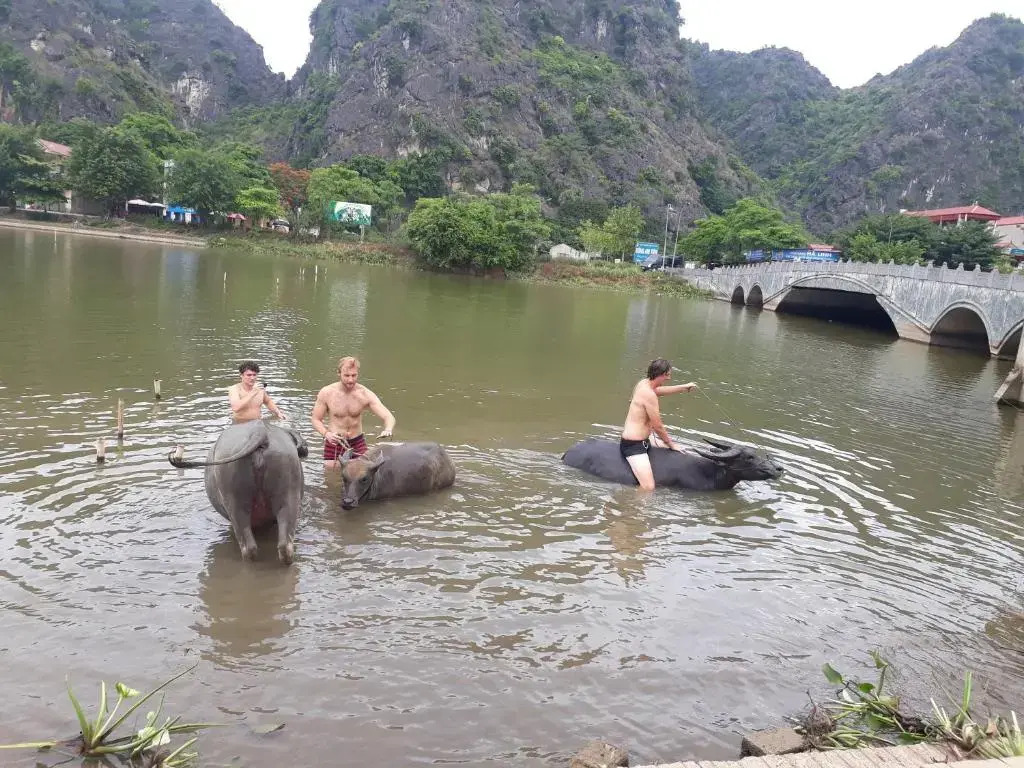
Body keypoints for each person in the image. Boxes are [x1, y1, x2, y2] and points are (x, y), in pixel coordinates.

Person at [620, 358, 696, 491]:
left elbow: (658, 391)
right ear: (660, 374)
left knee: (683, 450)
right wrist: (671, 444)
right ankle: (628, 504)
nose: (669, 378)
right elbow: (658, 427)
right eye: (667, 375)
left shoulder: (644, 383)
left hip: (646, 440)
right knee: (648, 487)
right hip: (633, 445)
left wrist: (683, 387)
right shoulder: (649, 395)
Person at [311, 356, 396, 468]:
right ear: (339, 373)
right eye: (346, 375)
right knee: (331, 476)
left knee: (363, 473)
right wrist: (327, 434)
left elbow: (388, 416)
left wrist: (388, 429)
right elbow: (316, 419)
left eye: (354, 375)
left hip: (357, 443)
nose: (350, 380)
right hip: (335, 442)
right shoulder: (327, 393)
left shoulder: (364, 394)